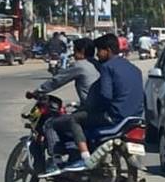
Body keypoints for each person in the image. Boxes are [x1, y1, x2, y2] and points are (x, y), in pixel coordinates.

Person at [58, 34, 145, 174]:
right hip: (135, 116)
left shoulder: (107, 67)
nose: (97, 55)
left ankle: (84, 158)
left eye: (99, 50)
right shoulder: (134, 68)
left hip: (115, 116)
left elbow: (106, 95)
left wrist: (91, 108)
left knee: (74, 119)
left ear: (108, 50)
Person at [37, 38, 101, 177]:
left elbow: (58, 80)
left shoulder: (81, 65)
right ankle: (74, 153)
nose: (73, 54)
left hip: (90, 112)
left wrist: (39, 91)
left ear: (81, 51)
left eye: (75, 51)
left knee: (50, 124)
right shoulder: (98, 64)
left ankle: (56, 161)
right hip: (100, 110)